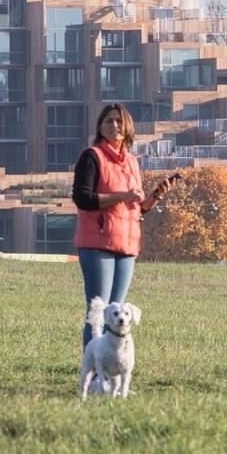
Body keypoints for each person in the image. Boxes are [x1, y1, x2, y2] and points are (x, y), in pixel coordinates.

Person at [71, 103, 181, 346]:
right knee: (98, 314)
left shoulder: (131, 161)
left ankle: (110, 373)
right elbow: (82, 198)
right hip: (97, 243)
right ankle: (95, 373)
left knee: (116, 315)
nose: (115, 126)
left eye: (119, 121)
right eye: (109, 121)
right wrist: (121, 195)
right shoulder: (92, 157)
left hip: (127, 245)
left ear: (128, 127)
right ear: (100, 127)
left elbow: (136, 206)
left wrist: (155, 196)